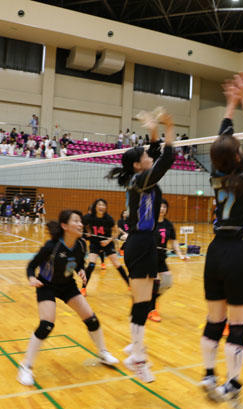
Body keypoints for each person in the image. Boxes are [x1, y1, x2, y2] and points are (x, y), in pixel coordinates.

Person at [200, 72, 243, 404]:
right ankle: (232, 384)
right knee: (238, 325)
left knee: (215, 320)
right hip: (240, 251)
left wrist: (230, 105)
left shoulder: (215, 173)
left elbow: (224, 143)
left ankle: (209, 374)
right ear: (238, 157)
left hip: (215, 251)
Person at [107, 108, 175, 383]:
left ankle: (135, 345)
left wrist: (153, 129)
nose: (149, 157)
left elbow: (156, 152)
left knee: (145, 300)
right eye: (144, 157)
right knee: (142, 303)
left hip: (145, 242)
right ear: (138, 165)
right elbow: (166, 159)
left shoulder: (141, 177)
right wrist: (169, 127)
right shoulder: (140, 180)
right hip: (140, 243)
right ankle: (137, 358)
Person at [17, 210, 119, 386]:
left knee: (92, 319)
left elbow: (78, 262)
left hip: (67, 285)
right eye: (76, 221)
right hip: (46, 285)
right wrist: (31, 277)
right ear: (65, 226)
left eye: (81, 221)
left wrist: (80, 270)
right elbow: (31, 266)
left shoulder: (81, 245)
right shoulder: (52, 246)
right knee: (46, 324)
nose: (81, 224)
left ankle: (103, 353)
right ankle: (26, 366)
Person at [148, 199, 187, 322]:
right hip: (149, 257)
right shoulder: (149, 223)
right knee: (156, 281)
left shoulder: (168, 224)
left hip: (161, 258)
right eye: (160, 206)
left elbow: (174, 241)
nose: (162, 209)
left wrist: (180, 255)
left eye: (164, 207)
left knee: (167, 282)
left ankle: (151, 301)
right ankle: (151, 310)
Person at [81, 198, 130, 296]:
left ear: (105, 207)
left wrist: (108, 241)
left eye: (103, 205)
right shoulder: (89, 217)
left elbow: (116, 232)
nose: (101, 207)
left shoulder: (108, 218)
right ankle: (83, 288)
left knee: (117, 265)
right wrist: (87, 232)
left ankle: (129, 285)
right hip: (95, 243)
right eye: (99, 204)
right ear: (95, 206)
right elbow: (82, 226)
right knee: (91, 265)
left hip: (107, 244)